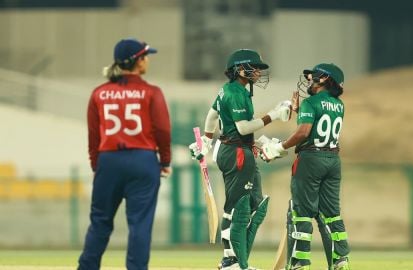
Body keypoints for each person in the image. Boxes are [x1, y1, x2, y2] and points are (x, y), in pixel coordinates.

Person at [189, 49, 291, 270]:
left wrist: (207, 139)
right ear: (240, 69)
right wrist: (273, 115)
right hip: (236, 153)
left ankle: (233, 260)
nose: (258, 72)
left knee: (254, 206)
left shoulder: (230, 90)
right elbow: (243, 127)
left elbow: (213, 114)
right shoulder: (236, 93)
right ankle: (233, 263)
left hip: (237, 148)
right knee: (239, 209)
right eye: (254, 68)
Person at [78, 38, 172, 270]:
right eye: (145, 56)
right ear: (138, 62)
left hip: (108, 160)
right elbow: (162, 129)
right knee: (140, 224)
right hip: (143, 160)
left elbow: (93, 135)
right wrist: (165, 160)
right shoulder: (152, 92)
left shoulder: (99, 93)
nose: (147, 60)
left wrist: (96, 165)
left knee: (99, 222)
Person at [260, 63, 351, 270]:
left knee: (300, 213)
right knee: (331, 214)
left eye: (314, 76)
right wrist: (300, 110)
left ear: (325, 79)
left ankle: (299, 264)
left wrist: (278, 147)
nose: (309, 80)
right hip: (333, 160)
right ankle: (340, 262)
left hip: (310, 159)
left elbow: (303, 133)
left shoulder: (312, 102)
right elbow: (320, 125)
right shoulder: (339, 104)